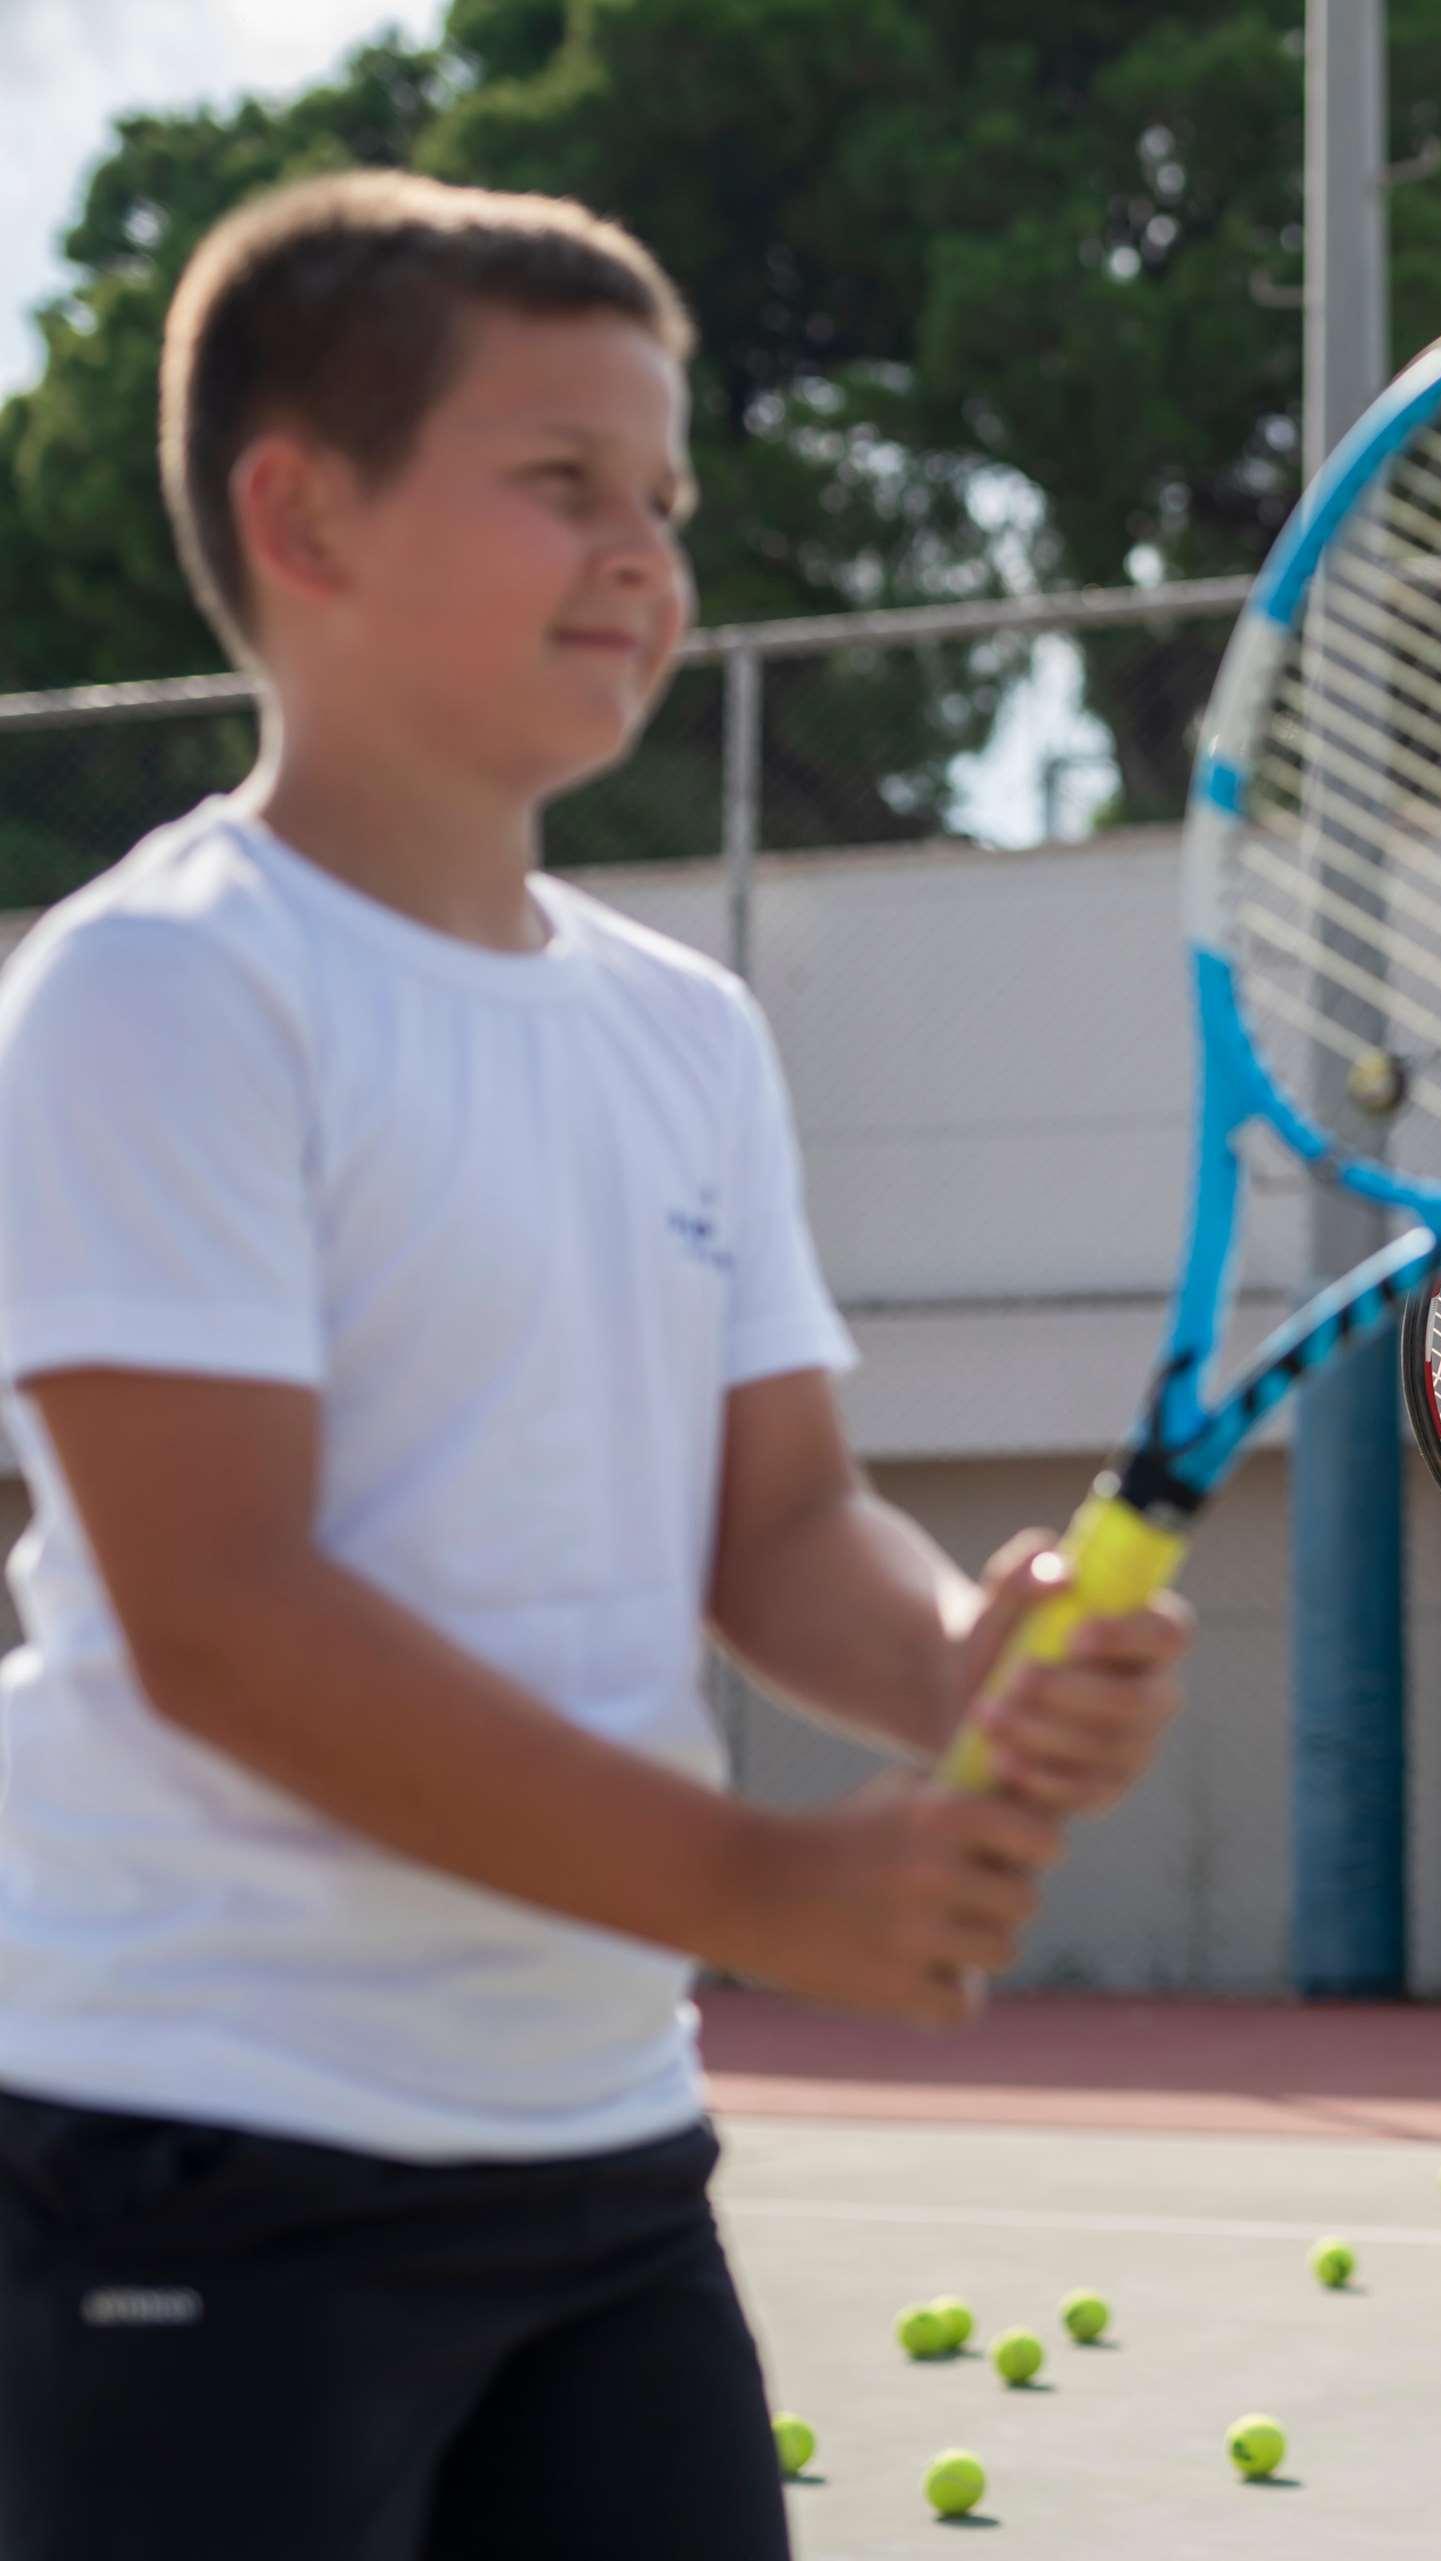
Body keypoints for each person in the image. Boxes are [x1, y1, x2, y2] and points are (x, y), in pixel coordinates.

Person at [0, 172, 1190, 2560]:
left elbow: (772, 1522)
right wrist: (770, 1879)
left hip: (600, 2159)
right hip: (192, 2150)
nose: (645, 552)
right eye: (561, 484)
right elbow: (223, 1619)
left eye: (664, 499)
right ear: (298, 513)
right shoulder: (157, 997)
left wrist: (954, 1658)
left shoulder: (686, 1036)